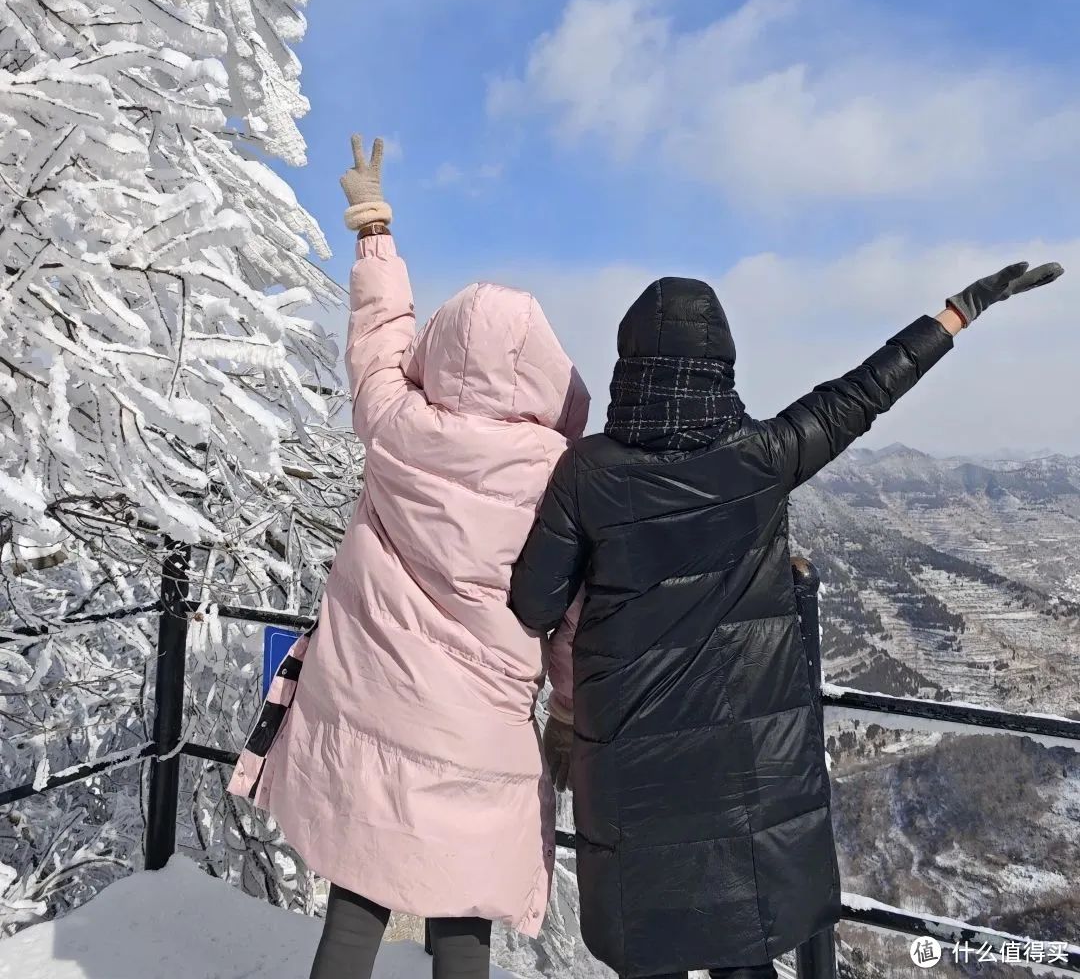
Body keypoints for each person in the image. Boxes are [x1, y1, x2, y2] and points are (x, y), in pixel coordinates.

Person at [508, 261, 1063, 979]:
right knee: (747, 947)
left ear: (630, 367)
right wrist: (957, 313)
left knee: (653, 951)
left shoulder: (588, 471)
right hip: (751, 764)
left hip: (631, 765)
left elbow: (534, 603)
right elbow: (864, 393)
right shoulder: (764, 457)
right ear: (721, 366)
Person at [227, 135, 590, 979]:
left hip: (375, 712)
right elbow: (570, 615)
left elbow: (378, 339)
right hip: (481, 736)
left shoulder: (397, 428)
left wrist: (373, 225)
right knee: (462, 918)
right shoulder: (562, 480)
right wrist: (568, 714)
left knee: (360, 892)